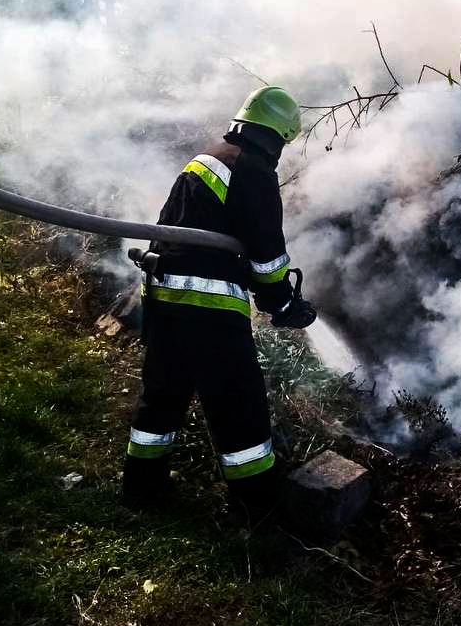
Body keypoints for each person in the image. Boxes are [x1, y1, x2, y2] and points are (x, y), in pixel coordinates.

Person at [122, 86, 317, 520]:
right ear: (277, 136)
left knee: (163, 395)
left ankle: (141, 490)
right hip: (205, 305)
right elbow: (267, 257)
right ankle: (257, 507)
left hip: (163, 296)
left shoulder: (210, 156)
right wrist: (282, 302)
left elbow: (206, 235)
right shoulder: (254, 170)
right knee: (237, 404)